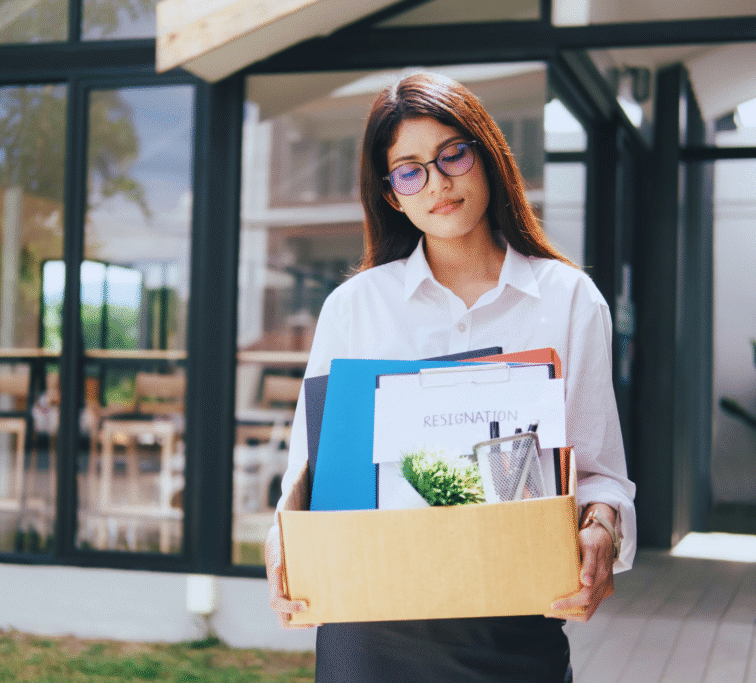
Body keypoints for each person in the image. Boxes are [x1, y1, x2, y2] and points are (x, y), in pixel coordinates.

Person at [265, 71, 636, 683]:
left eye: (452, 155)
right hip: (369, 632)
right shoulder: (355, 306)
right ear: (392, 195)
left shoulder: (568, 299)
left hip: (513, 627)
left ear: (485, 155)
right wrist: (283, 552)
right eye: (409, 170)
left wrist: (600, 528)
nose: (436, 183)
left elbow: (601, 475)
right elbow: (307, 475)